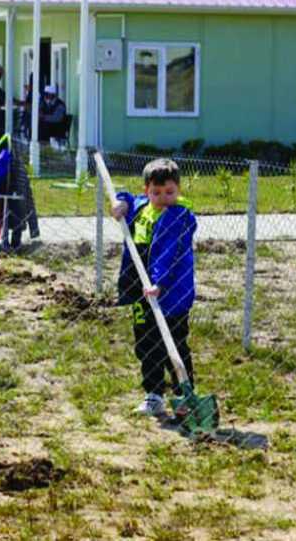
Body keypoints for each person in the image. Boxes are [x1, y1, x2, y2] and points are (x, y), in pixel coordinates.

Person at [110, 158, 198, 418]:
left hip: (171, 294)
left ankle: (185, 395)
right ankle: (154, 395)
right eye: (156, 193)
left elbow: (168, 255)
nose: (163, 198)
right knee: (147, 344)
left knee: (175, 344)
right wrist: (121, 203)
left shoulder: (177, 217)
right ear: (147, 190)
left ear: (178, 190)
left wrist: (159, 283)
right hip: (142, 291)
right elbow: (128, 197)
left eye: (169, 192)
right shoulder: (141, 208)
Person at [39, 84, 68, 150]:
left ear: (52, 94)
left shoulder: (60, 104)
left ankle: (44, 147)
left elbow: (56, 118)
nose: (45, 96)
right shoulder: (45, 103)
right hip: (49, 127)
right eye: (45, 94)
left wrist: (43, 117)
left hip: (58, 128)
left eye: (47, 94)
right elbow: (40, 111)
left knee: (42, 126)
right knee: (38, 125)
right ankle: (41, 146)